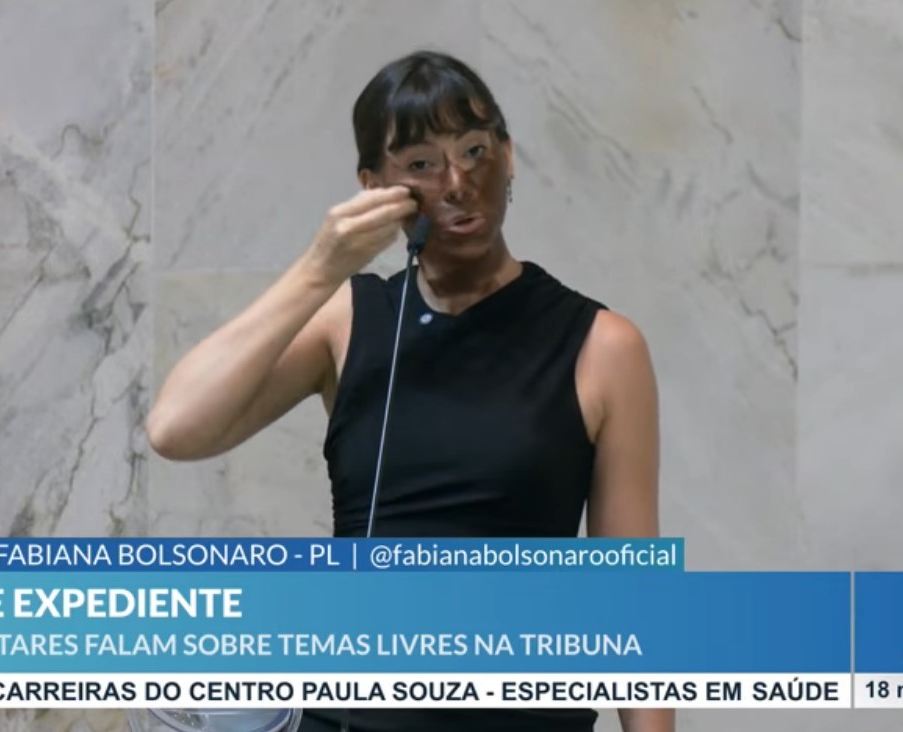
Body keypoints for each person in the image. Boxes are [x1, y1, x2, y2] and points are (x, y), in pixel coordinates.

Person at [148, 50, 671, 732]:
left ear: (509, 156)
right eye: (422, 163)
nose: (457, 183)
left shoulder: (602, 346)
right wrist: (319, 269)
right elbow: (176, 428)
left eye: (475, 150)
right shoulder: (349, 320)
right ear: (375, 188)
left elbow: (632, 596)